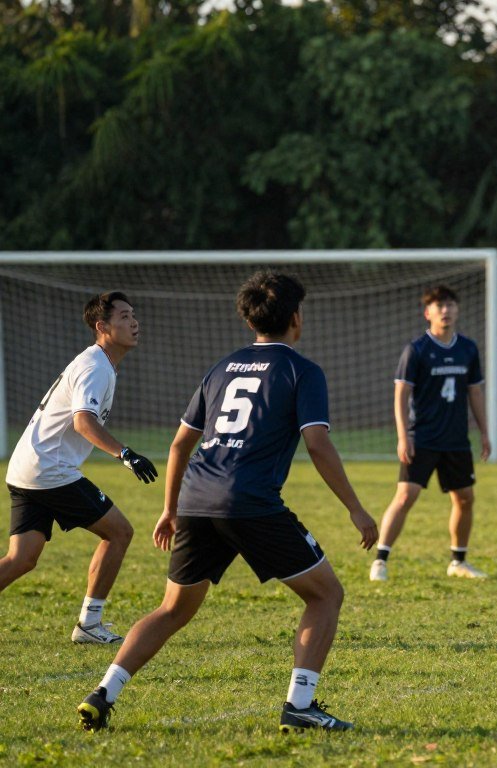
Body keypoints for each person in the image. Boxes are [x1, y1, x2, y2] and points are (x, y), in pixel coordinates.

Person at [77, 271, 379, 733]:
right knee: (326, 595)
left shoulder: (222, 368)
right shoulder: (302, 371)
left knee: (173, 609)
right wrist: (355, 508)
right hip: (250, 502)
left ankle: (102, 693)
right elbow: (317, 444)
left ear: (250, 320)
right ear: (296, 318)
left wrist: (171, 509)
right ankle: (300, 705)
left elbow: (180, 444)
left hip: (197, 498)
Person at [1, 292, 157, 645]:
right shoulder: (95, 366)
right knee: (119, 533)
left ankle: (89, 624)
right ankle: (90, 623)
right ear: (102, 326)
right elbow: (83, 422)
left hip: (26, 468)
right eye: (124, 317)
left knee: (21, 559)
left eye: (133, 315)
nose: (134, 322)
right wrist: (125, 454)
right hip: (50, 470)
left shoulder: (99, 363)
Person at [369, 284, 491, 582]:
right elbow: (401, 394)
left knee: (465, 499)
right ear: (428, 313)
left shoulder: (468, 348)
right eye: (439, 306)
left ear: (457, 310)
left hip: (456, 440)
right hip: (422, 438)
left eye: (450, 305)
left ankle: (458, 562)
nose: (446, 311)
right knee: (405, 496)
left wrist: (485, 432)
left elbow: (475, 392)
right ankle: (380, 560)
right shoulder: (416, 350)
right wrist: (403, 437)